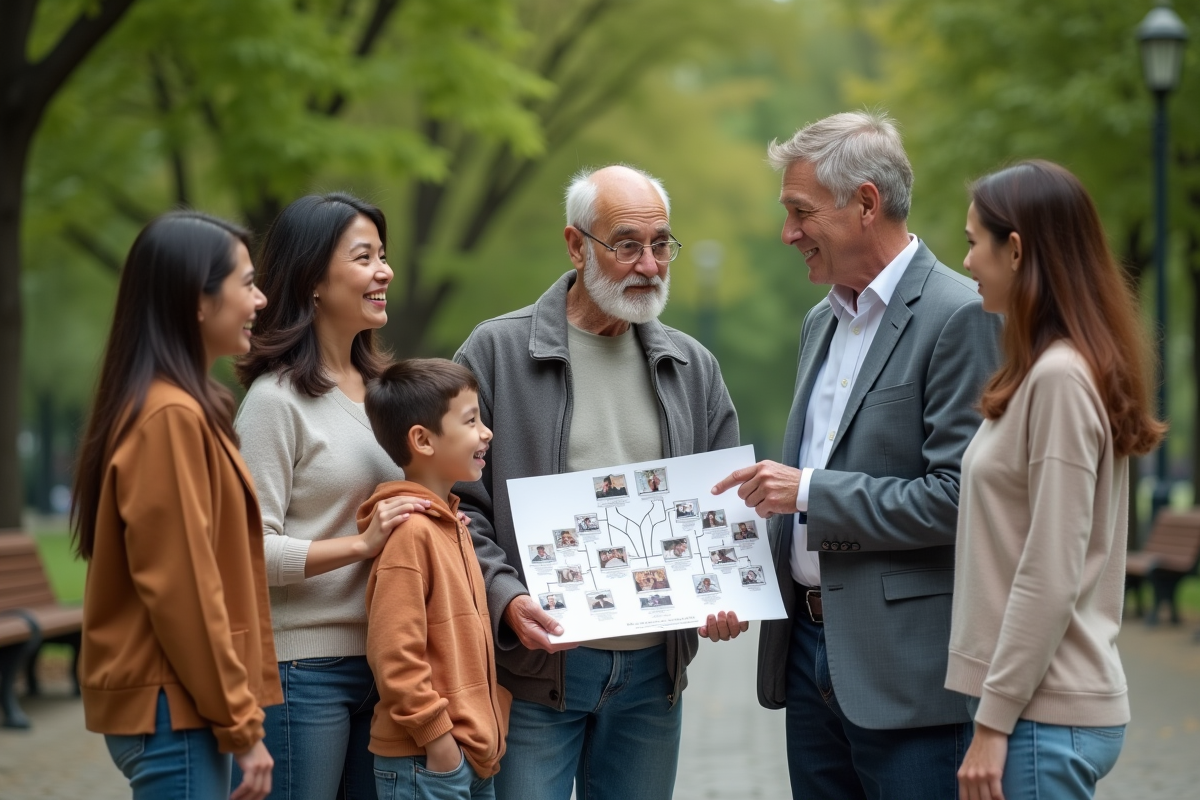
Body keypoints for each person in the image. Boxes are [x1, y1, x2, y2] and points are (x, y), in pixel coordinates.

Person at [713, 110, 1002, 800]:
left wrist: (808, 490)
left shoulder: (961, 314)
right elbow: (797, 487)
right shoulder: (821, 321)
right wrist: (724, 574)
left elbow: (960, 499)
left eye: (800, 212)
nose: (788, 234)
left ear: (865, 204)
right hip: (810, 659)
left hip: (908, 676)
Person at [454, 164, 745, 800]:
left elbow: (726, 506)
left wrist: (726, 590)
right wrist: (504, 596)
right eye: (627, 245)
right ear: (575, 245)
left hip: (652, 677)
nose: (649, 263)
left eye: (662, 243)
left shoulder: (693, 367)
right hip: (536, 671)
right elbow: (453, 506)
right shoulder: (496, 353)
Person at [949, 161, 1166, 800]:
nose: (965, 261)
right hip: (1036, 711)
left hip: (1039, 717)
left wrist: (994, 721)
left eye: (972, 241)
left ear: (1014, 250)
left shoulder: (1061, 380)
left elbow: (1050, 568)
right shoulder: (1050, 371)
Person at [72, 212, 279, 800]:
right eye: (245, 282)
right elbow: (184, 587)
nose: (260, 299)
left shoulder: (174, 408)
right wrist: (241, 725)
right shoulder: (169, 418)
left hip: (178, 703)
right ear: (197, 300)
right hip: (175, 706)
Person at [234, 193, 435, 798]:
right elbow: (246, 552)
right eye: (364, 256)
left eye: (384, 255)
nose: (385, 271)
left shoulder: (383, 393)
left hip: (385, 664)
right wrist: (360, 544)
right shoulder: (275, 403)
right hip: (303, 672)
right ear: (313, 280)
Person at [360, 358, 509, 800]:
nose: (486, 432)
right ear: (423, 440)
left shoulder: (454, 524)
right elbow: (394, 655)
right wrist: (438, 740)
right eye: (471, 421)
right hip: (428, 761)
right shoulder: (412, 534)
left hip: (469, 755)